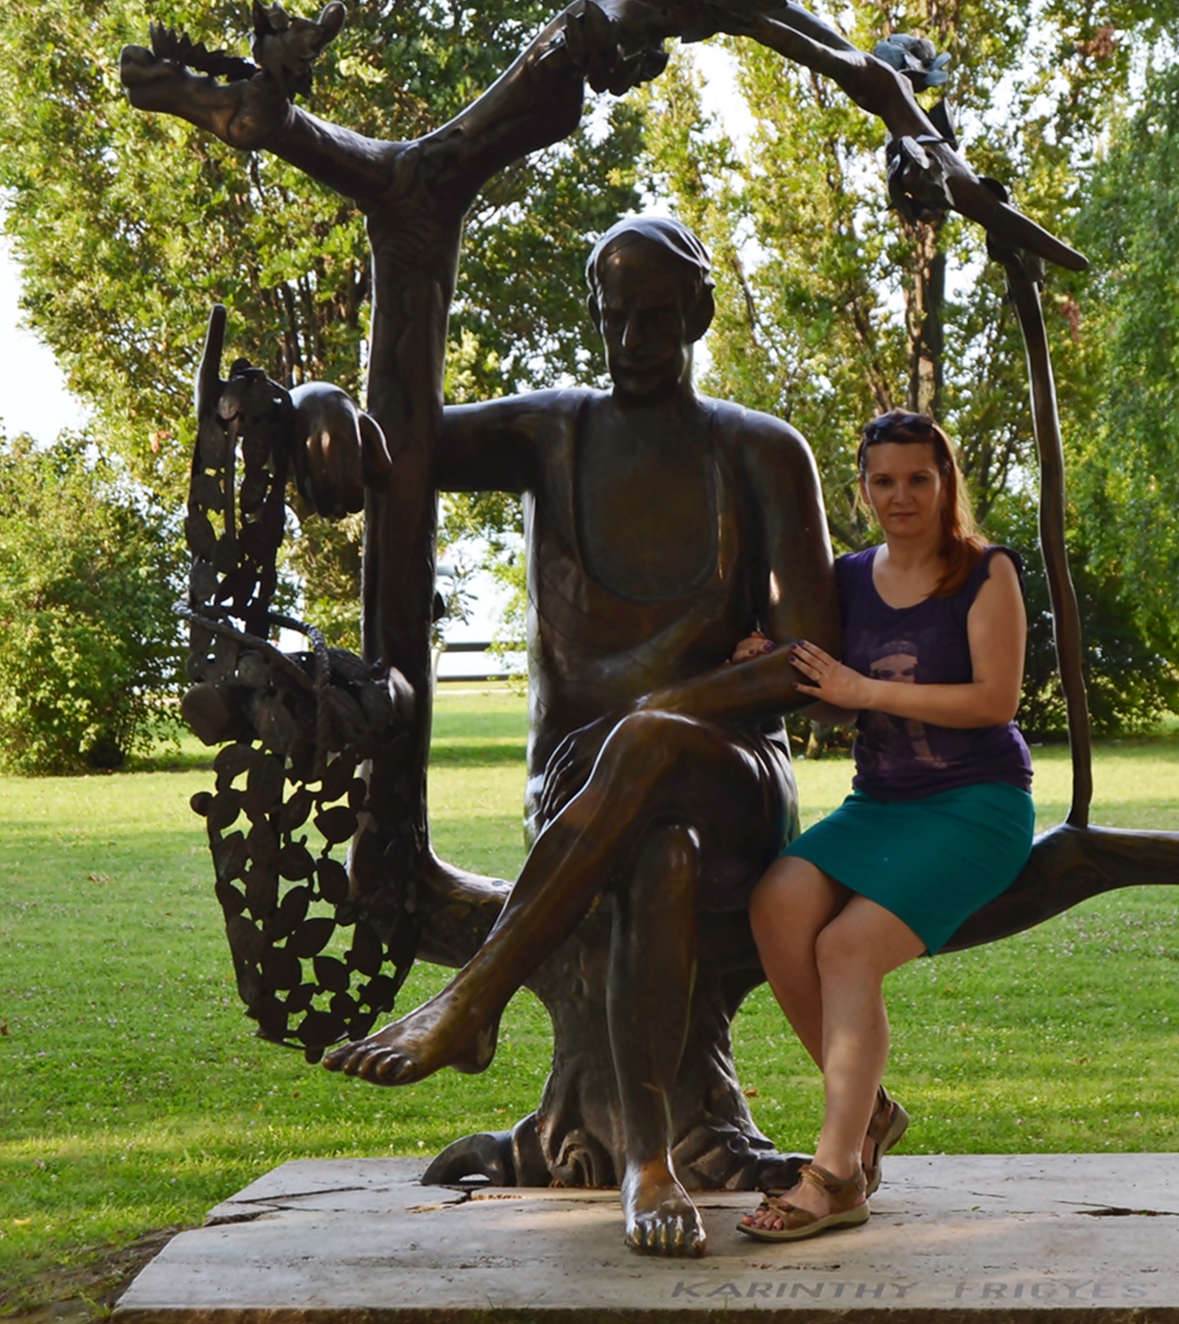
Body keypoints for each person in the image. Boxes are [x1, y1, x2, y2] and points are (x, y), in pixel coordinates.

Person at [316, 216, 839, 1258]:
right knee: (658, 852)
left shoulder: (760, 451)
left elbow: (807, 663)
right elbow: (397, 441)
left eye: (658, 319)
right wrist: (320, 414)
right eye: (615, 319)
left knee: (655, 755)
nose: (633, 341)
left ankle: (471, 1002)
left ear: (699, 313)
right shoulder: (551, 433)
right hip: (581, 790)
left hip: (733, 772)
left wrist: (670, 707)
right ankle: (648, 1160)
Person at [734, 409, 1035, 1241]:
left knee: (846, 947)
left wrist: (863, 689)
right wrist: (769, 663)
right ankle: (869, 1111)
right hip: (881, 802)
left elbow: (994, 700)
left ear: (944, 483)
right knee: (777, 903)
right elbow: (824, 694)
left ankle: (834, 1175)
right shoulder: (844, 579)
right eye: (883, 481)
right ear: (862, 489)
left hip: (976, 805)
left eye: (917, 479)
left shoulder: (984, 572)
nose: (900, 496)